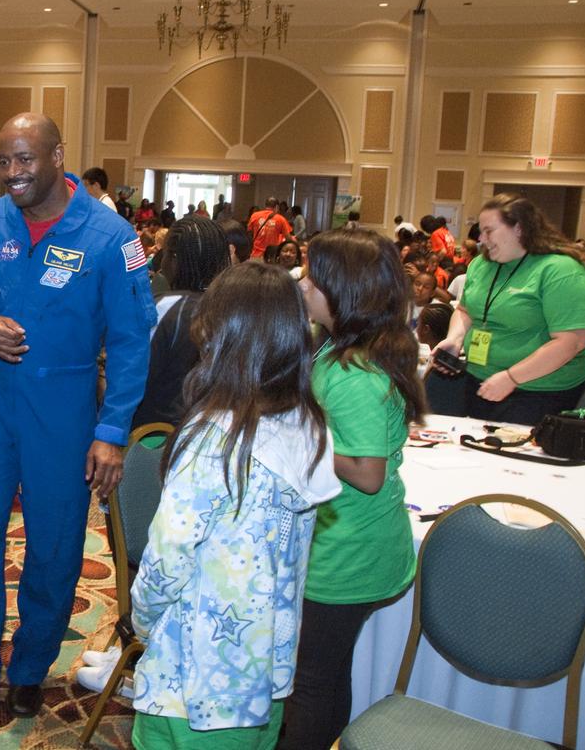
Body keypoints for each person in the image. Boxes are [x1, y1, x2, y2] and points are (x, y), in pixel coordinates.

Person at [0, 113, 154, 733]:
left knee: (55, 548)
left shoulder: (112, 236)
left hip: (65, 408)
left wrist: (112, 432)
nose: (12, 173)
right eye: (4, 161)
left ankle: (31, 668)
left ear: (58, 156)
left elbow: (134, 340)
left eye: (25, 160)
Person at [131, 263, 339, 750]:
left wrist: (140, 621)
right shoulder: (307, 426)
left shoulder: (213, 438)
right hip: (265, 667)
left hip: (195, 679)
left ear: (220, 337)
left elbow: (166, 559)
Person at [280, 228, 426, 749]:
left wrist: (296, 447)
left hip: (348, 553)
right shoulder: (339, 349)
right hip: (344, 540)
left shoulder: (354, 372)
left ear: (343, 292)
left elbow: (367, 471)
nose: (302, 284)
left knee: (312, 680)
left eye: (313, 277)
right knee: (322, 670)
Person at [430, 193, 585, 424]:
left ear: (519, 228)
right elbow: (465, 310)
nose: (481, 238)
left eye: (489, 231)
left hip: (540, 392)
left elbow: (571, 342)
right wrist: (455, 338)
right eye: (481, 231)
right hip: (480, 380)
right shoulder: (482, 264)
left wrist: (512, 377)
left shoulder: (562, 271)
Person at [132, 215, 231, 429]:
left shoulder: (167, 307)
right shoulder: (233, 308)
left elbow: (134, 375)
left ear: (175, 259)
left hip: (155, 438)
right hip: (212, 435)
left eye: (165, 253)